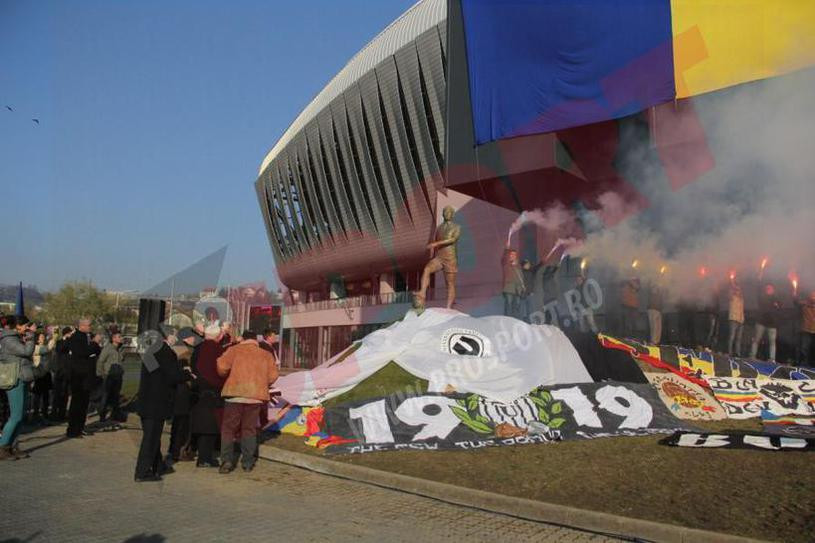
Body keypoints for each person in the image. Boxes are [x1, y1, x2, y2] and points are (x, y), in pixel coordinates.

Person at [134, 330, 193, 482]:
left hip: (146, 400)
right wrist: (187, 374)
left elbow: (156, 375)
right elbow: (171, 376)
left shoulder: (150, 352)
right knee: (151, 438)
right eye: (174, 335)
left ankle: (157, 465)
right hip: (157, 402)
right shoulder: (166, 352)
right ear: (168, 338)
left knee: (152, 437)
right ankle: (143, 471)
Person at [216, 329, 279, 473]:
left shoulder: (234, 350)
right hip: (255, 397)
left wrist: (226, 375)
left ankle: (226, 461)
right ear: (255, 340)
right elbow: (273, 375)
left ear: (243, 339)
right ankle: (248, 463)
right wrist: (262, 382)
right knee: (249, 429)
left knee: (228, 429)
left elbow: (221, 367)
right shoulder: (266, 354)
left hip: (235, 395)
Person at [190, 325, 227, 468]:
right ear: (218, 336)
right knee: (210, 426)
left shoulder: (198, 348)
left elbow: (194, 366)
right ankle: (205, 457)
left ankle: (199, 452)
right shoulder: (217, 350)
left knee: (202, 424)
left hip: (199, 391)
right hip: (213, 393)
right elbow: (221, 370)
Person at [0, 315, 36, 460]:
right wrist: (31, 339)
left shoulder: (17, 338)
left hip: (23, 377)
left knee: (20, 416)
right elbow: (26, 352)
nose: (28, 328)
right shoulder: (8, 339)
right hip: (16, 379)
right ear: (17, 326)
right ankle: (3, 446)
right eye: (26, 326)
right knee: (15, 416)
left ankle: (12, 446)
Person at [166, 327, 201, 464]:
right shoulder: (185, 351)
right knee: (183, 423)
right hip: (184, 390)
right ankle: (180, 450)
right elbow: (187, 369)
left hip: (177, 391)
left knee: (178, 422)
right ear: (188, 337)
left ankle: (174, 449)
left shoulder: (176, 348)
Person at [415, 205, 461, 309]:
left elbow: (453, 240)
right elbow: (435, 243)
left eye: (449, 212)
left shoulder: (457, 227)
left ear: (453, 215)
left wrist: (435, 244)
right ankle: (422, 292)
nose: (446, 213)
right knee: (427, 269)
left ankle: (449, 307)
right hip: (439, 257)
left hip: (450, 259)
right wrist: (432, 251)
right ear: (443, 214)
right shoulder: (439, 228)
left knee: (450, 284)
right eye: (445, 211)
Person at [66, 318, 101, 438]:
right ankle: (73, 430)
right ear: (81, 326)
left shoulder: (88, 336)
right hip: (78, 375)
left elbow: (96, 351)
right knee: (77, 403)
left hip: (87, 374)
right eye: (88, 325)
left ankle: (80, 428)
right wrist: (94, 343)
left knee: (84, 403)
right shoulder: (76, 338)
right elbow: (83, 352)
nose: (90, 327)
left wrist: (95, 345)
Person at [750, 282, 782, 362]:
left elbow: (780, 306)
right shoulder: (762, 297)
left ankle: (772, 359)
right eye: (767, 288)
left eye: (770, 288)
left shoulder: (776, 299)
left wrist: (777, 305)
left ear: (773, 290)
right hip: (761, 322)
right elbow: (758, 291)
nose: (768, 290)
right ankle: (752, 356)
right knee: (756, 339)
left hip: (772, 324)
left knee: (772, 342)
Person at [97, 331, 124, 423]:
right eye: (119, 337)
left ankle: (115, 415)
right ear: (114, 338)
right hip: (109, 376)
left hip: (118, 376)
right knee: (105, 396)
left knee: (116, 396)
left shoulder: (119, 349)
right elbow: (101, 361)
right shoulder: (108, 348)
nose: (121, 338)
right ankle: (102, 415)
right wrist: (101, 373)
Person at [50, 327, 72, 422]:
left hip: (68, 372)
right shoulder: (60, 342)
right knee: (58, 394)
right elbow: (60, 349)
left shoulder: (71, 343)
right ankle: (54, 413)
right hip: (60, 372)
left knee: (65, 394)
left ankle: (62, 414)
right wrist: (66, 339)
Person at [30, 331, 54, 423]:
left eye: (43, 337)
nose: (43, 338)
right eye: (41, 337)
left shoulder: (45, 347)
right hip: (38, 373)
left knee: (46, 395)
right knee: (37, 395)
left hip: (46, 373)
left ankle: (44, 414)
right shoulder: (36, 348)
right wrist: (54, 337)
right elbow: (47, 349)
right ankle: (35, 414)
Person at [794, 289, 815, 367]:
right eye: (812, 295)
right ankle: (803, 364)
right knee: (804, 348)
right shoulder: (805, 304)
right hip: (806, 329)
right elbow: (796, 302)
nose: (813, 297)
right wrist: (795, 293)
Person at [501, 249, 524, 319]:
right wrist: (506, 251)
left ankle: (516, 320)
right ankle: (508, 320)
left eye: (514, 254)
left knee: (517, 305)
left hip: (518, 288)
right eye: (511, 254)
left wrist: (522, 287)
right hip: (509, 287)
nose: (513, 256)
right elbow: (504, 259)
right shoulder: (506, 264)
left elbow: (521, 277)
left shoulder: (518, 266)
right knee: (509, 304)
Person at [727, 278, 745, 357]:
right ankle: (729, 352)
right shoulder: (732, 297)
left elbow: (742, 310)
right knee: (732, 337)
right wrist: (732, 282)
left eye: (739, 290)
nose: (738, 291)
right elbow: (730, 293)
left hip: (740, 320)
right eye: (736, 289)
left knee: (739, 339)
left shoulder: (742, 299)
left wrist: (742, 319)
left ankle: (737, 353)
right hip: (733, 319)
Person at [646, 280, 665, 345]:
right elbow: (652, 290)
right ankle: (653, 341)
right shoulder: (652, 287)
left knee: (658, 327)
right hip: (652, 309)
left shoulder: (659, 289)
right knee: (654, 326)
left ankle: (657, 341)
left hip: (658, 309)